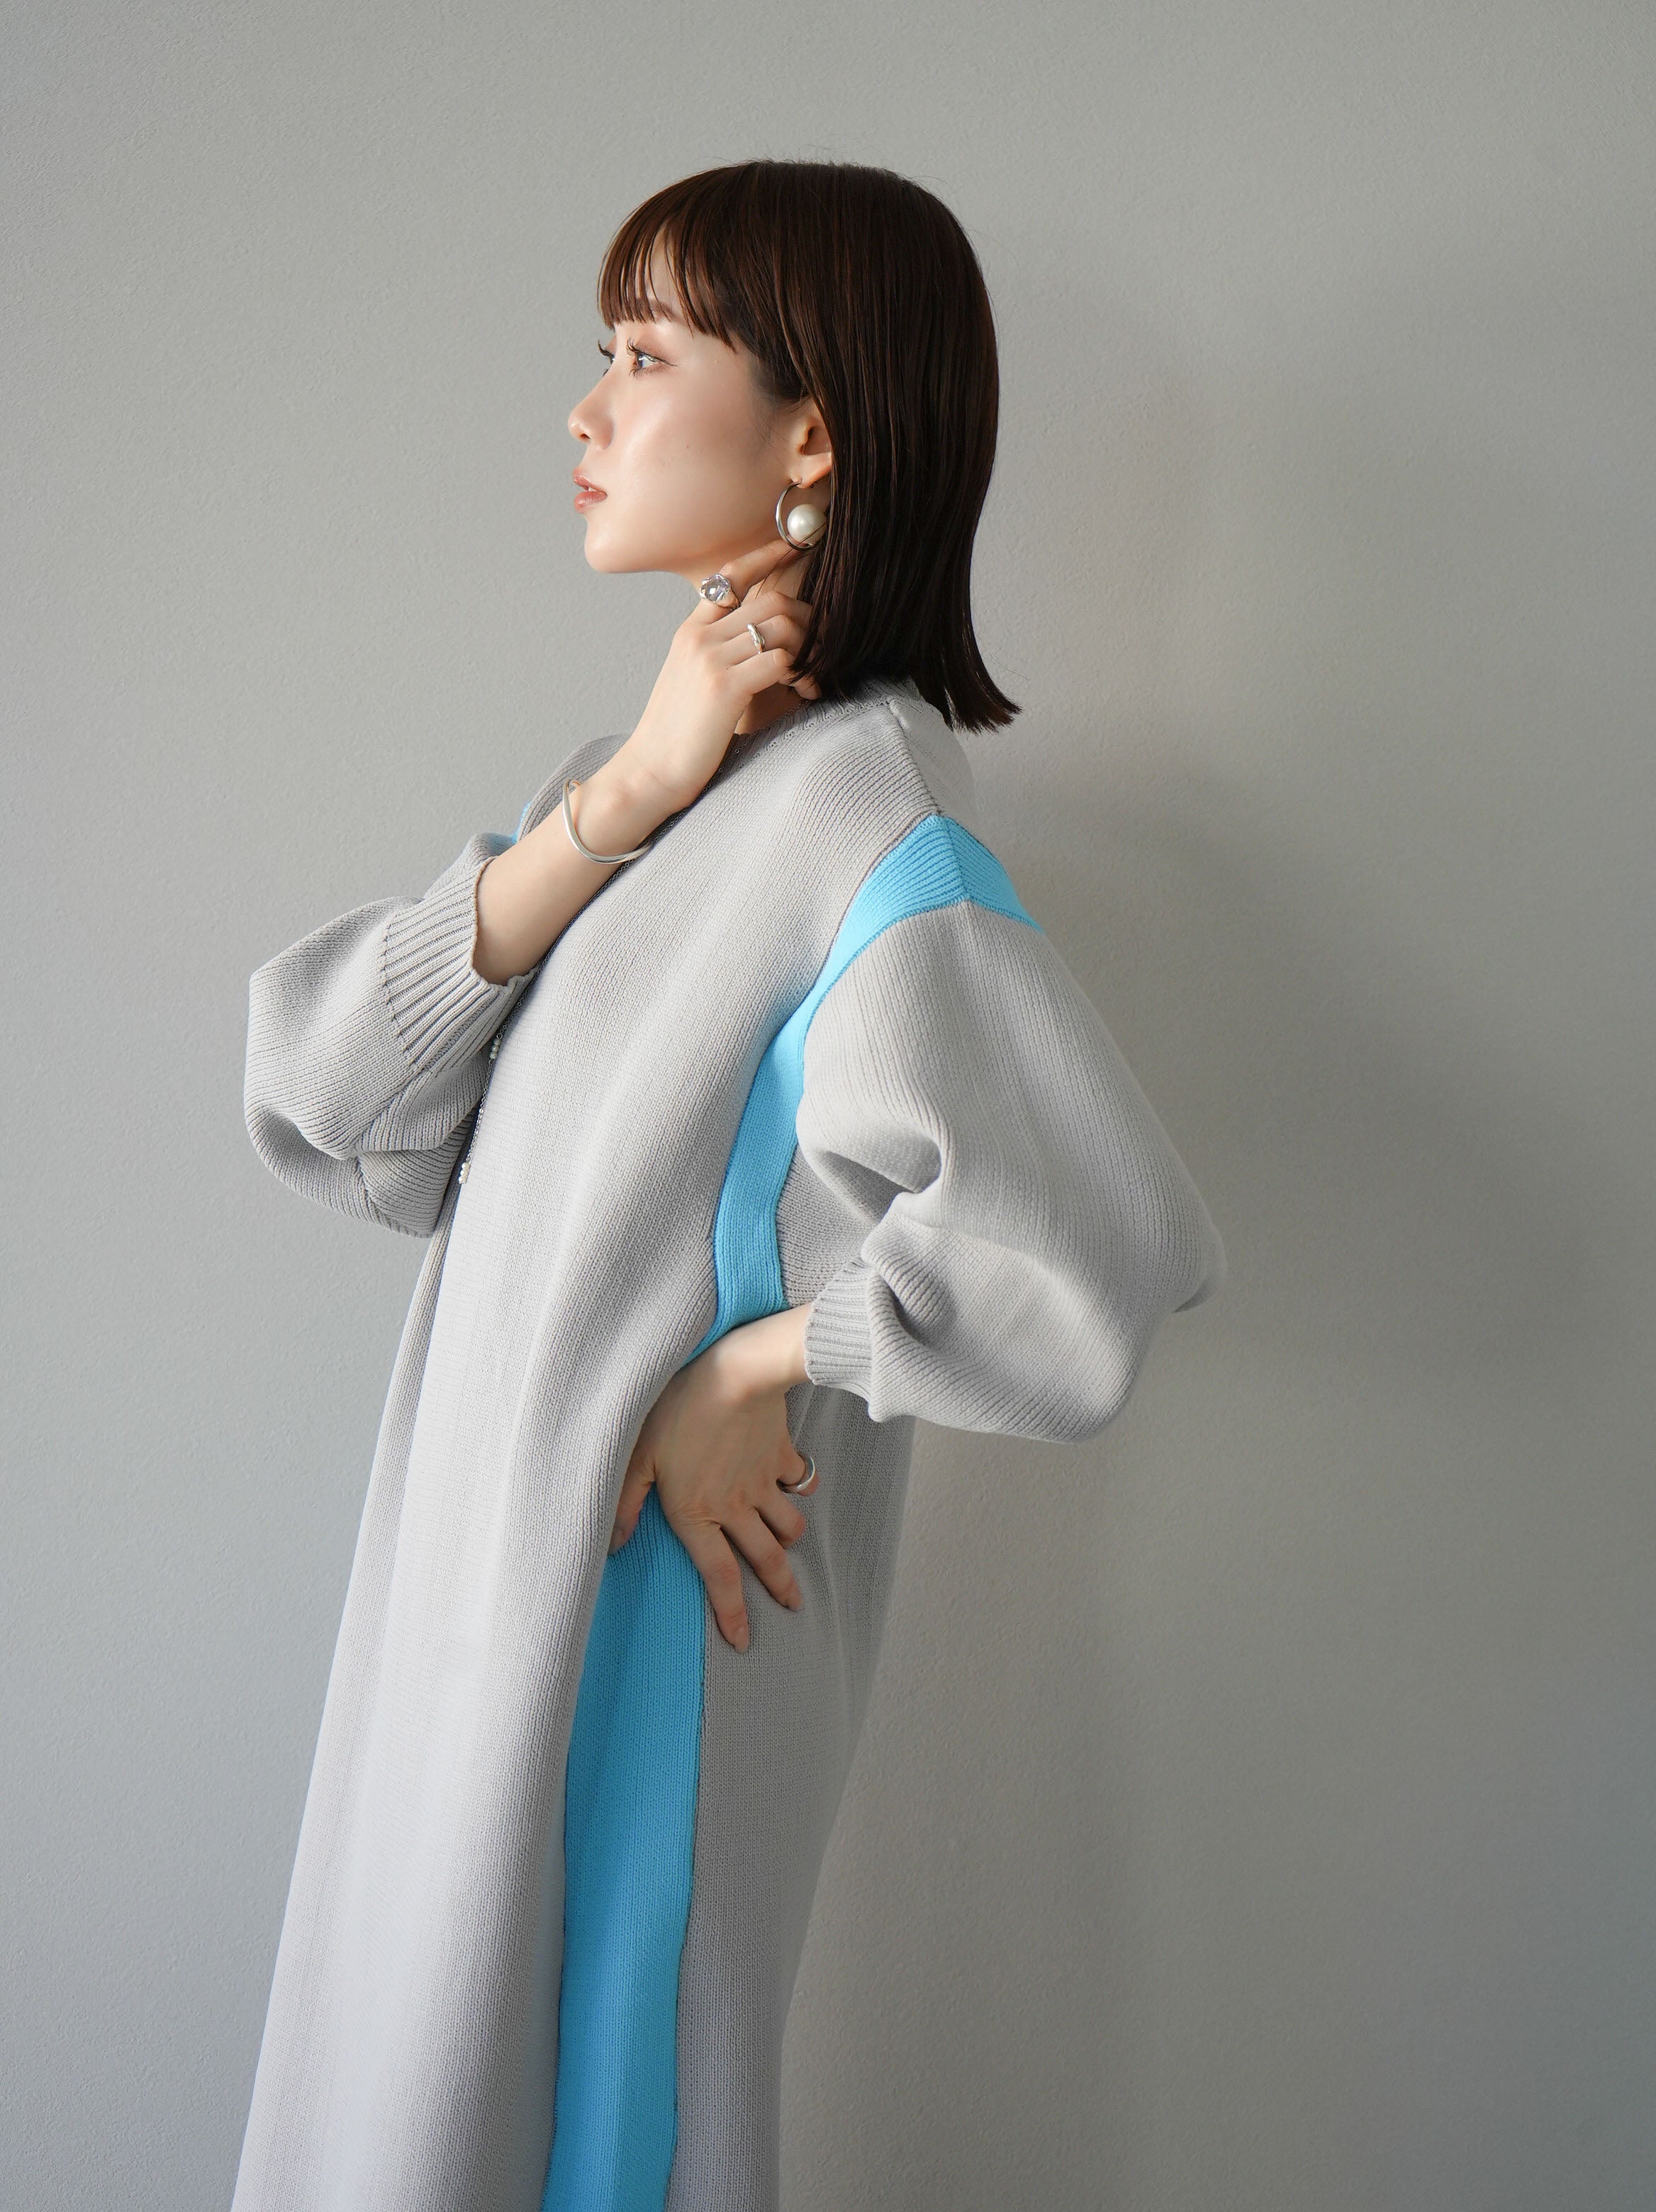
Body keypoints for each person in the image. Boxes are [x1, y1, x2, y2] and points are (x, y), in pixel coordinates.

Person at [230, 159, 1224, 2212]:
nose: (587, 408)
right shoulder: (677, 797)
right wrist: (620, 793)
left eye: (644, 353)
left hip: (617, 1686)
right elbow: (325, 1098)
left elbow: (1089, 1261)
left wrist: (759, 1367)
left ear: (812, 434)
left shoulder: (865, 809)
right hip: (456, 1654)